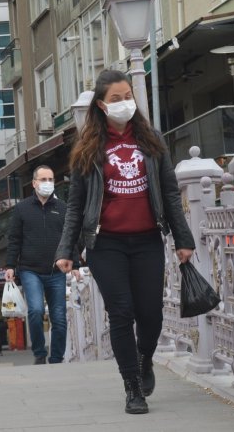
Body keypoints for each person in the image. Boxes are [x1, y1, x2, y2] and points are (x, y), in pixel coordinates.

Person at [54, 69, 195, 415]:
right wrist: (66, 250)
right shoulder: (88, 148)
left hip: (147, 240)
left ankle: (144, 358)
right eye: (116, 99)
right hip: (106, 245)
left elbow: (170, 194)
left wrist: (183, 239)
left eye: (128, 96)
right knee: (121, 313)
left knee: (151, 315)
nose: (124, 103)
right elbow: (76, 205)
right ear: (102, 105)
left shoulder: (151, 142)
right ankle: (132, 387)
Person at [4, 165, 69, 365]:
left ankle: (56, 358)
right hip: (30, 270)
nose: (47, 183)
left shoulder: (62, 208)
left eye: (50, 179)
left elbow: (70, 237)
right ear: (34, 183)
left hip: (56, 271)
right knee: (36, 311)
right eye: (43, 179)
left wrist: (73, 263)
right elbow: (14, 239)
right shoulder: (22, 208)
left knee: (58, 317)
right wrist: (10, 266)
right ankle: (39, 354)